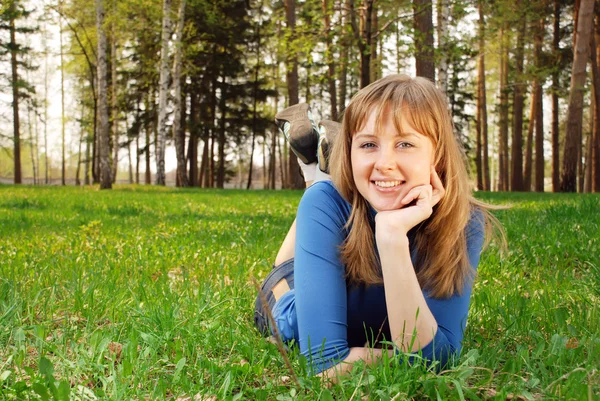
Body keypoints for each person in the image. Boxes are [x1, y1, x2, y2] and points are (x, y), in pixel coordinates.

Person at [254, 74, 502, 379]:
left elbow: (440, 359)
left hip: (335, 235)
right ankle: (316, 176)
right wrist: (401, 357)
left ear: (436, 153)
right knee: (299, 239)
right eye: (369, 144)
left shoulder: (464, 220)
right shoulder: (326, 203)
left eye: (405, 144)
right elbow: (323, 364)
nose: (385, 162)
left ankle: (316, 172)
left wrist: (392, 237)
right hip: (288, 295)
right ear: (352, 152)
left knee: (323, 200)